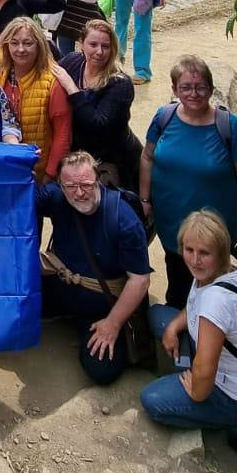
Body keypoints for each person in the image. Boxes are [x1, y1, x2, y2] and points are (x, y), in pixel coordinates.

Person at [140, 209, 237, 459]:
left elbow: (205, 366)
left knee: (153, 400)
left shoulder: (217, 303)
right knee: (160, 317)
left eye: (204, 253)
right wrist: (173, 327)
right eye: (189, 250)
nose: (194, 260)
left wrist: (196, 392)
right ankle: (185, 373)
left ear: (221, 252)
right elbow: (194, 305)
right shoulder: (216, 274)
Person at [139, 55, 237, 309]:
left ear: (210, 89)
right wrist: (144, 199)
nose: (193, 93)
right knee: (177, 287)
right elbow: (147, 157)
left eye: (200, 87)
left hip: (213, 233)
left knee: (211, 295)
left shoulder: (231, 128)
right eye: (185, 87)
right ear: (174, 89)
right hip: (171, 225)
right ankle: (180, 340)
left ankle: (207, 342)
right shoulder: (164, 117)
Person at [37, 152, 152, 385]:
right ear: (60, 184)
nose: (79, 193)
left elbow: (139, 280)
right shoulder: (57, 197)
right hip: (63, 286)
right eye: (70, 186)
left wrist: (113, 323)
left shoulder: (123, 219)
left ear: (97, 180)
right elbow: (18, 198)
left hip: (104, 305)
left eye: (86, 185)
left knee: (102, 370)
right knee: (15, 304)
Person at [52, 19, 140, 190]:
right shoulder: (73, 62)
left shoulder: (120, 83)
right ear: (81, 44)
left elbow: (98, 125)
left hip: (116, 163)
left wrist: (71, 87)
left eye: (105, 46)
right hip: (79, 159)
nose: (99, 52)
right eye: (93, 44)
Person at [0, 16, 71, 183]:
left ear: (39, 45)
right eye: (14, 42)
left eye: (28, 43)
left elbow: (63, 134)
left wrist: (49, 176)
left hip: (34, 172)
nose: (20, 49)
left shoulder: (52, 81)